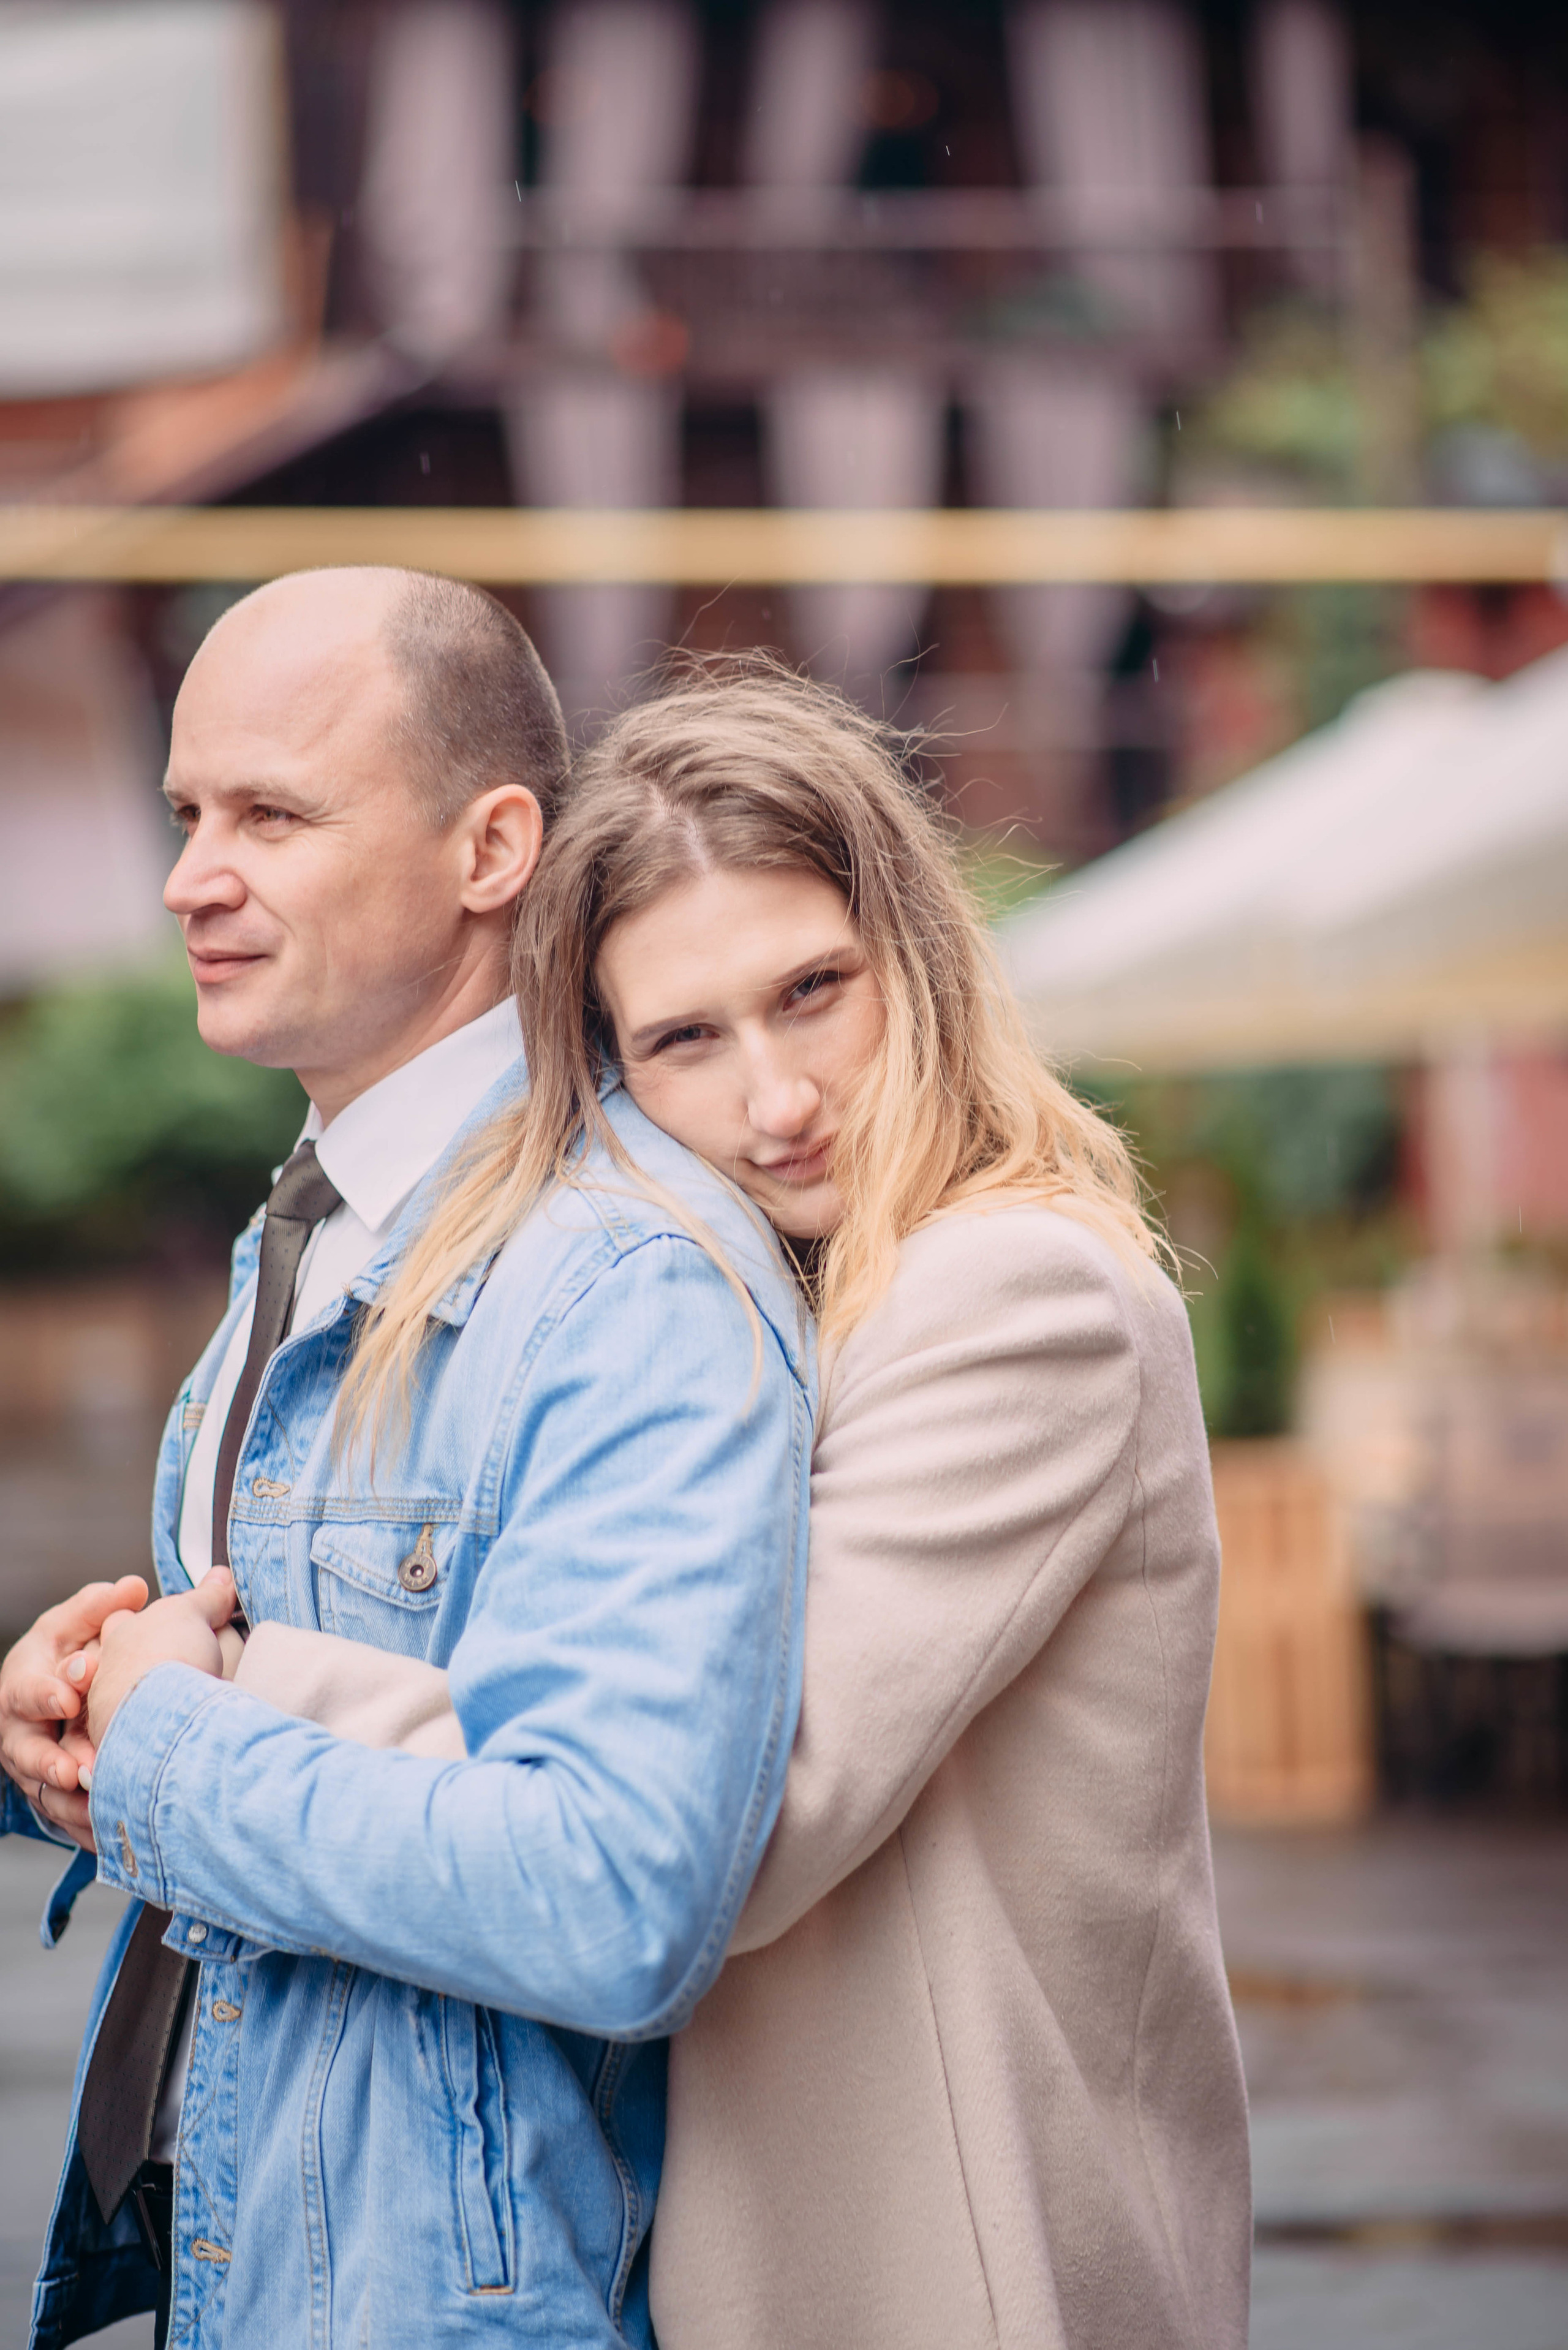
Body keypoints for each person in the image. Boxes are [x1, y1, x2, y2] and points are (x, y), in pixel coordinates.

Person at [208, 656, 1254, 2348]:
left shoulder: (1012, 1295)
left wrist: (231, 1690)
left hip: (960, 2265)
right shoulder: (774, 1298)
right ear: (610, 1073)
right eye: (687, 1039)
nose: (775, 1100)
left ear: (911, 957)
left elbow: (717, 1821)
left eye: (813, 990)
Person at [0, 575, 813, 2350]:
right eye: (187, 814)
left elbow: (618, 1893)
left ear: (491, 846)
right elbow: (250, 1703)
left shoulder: (623, 1281)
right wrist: (65, 1728)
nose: (190, 876)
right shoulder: (319, 1224)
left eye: (272, 815)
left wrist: (169, 1742)